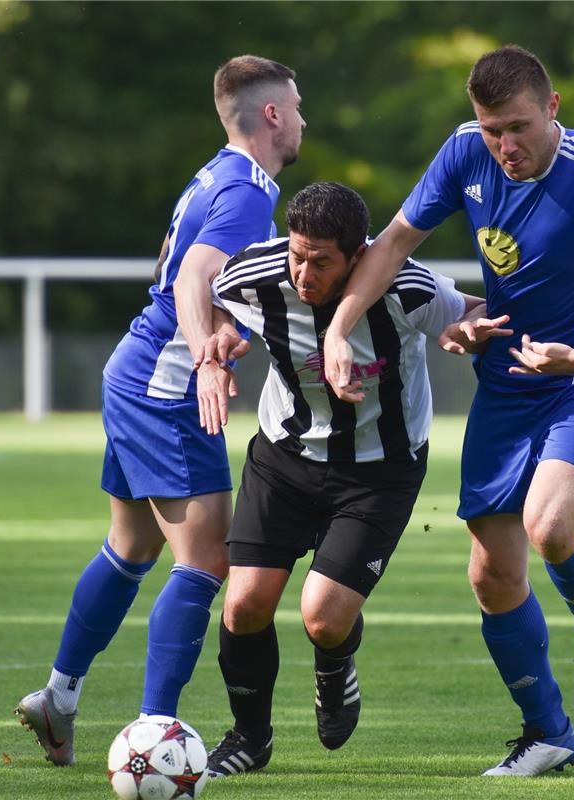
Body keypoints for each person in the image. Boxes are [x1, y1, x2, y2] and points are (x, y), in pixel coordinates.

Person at [321, 45, 574, 776]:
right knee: (492, 576)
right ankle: (547, 733)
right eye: (492, 130)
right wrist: (341, 328)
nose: (505, 146)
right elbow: (395, 241)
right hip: (507, 382)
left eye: (518, 127)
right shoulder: (467, 152)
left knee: (550, 525)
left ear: (552, 108)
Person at [14, 55, 305, 766]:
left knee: (131, 547)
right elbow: (198, 275)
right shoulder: (245, 191)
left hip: (134, 369)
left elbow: (198, 276)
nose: (303, 120)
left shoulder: (216, 173)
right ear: (271, 115)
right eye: (297, 107)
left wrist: (223, 330)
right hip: (168, 386)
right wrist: (207, 351)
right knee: (207, 561)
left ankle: (60, 696)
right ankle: (156, 734)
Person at [194, 182, 491, 778]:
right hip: (283, 459)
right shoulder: (259, 273)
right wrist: (216, 338)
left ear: (359, 254)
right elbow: (209, 290)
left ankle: (335, 664)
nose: (303, 272)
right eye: (298, 255)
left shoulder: (408, 286)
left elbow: (475, 311)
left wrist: (467, 332)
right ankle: (250, 738)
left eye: (322, 261)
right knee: (245, 603)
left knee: (324, 618)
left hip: (380, 471)